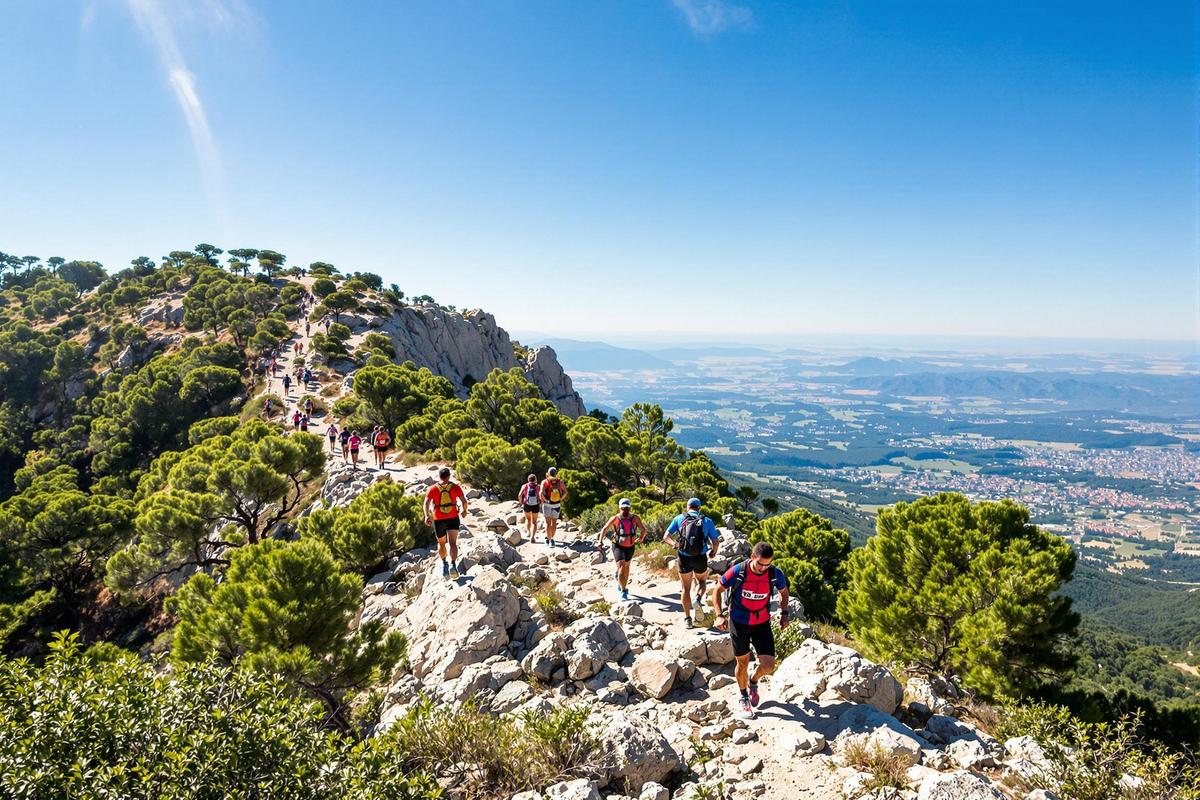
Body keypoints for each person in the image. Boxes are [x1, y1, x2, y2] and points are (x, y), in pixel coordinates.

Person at [713, 542, 791, 719]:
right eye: (760, 564)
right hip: (739, 622)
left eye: (768, 564)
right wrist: (719, 615)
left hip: (762, 622)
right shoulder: (738, 571)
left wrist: (784, 614)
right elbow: (717, 590)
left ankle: (753, 680)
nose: (764, 568)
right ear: (752, 558)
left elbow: (784, 592)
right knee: (742, 663)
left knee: (769, 666)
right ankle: (743, 697)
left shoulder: (774, 573)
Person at [663, 497, 721, 628]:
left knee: (685, 589)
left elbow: (666, 536)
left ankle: (688, 619)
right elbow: (715, 541)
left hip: (684, 557)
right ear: (699, 508)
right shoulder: (707, 520)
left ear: (687, 507)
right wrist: (713, 552)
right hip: (700, 557)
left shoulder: (679, 518)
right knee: (701, 582)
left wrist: (675, 544)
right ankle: (698, 599)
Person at [597, 498, 647, 601]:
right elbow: (605, 529)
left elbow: (643, 529)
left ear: (630, 508)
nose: (625, 510)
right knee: (622, 567)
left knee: (627, 568)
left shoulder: (635, 518)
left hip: (630, 547)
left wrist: (641, 537)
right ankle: (623, 591)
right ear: (619, 508)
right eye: (623, 508)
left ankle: (622, 583)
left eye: (627, 508)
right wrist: (600, 541)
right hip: (618, 546)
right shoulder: (615, 518)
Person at [424, 467, 468, 579]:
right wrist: (464, 511)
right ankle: (453, 565)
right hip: (453, 517)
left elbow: (426, 503)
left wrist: (426, 516)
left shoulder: (433, 489)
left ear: (439, 476)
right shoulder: (455, 487)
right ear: (449, 476)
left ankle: (444, 564)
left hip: (439, 519)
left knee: (441, 543)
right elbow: (464, 501)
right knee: (453, 543)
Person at [540, 467, 568, 546]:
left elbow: (541, 493)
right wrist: (560, 499)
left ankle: (548, 540)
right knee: (554, 523)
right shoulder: (560, 482)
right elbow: (565, 492)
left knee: (548, 523)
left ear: (548, 474)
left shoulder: (545, 481)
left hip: (547, 505)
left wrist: (544, 500)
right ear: (556, 474)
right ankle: (552, 539)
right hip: (556, 505)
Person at [516, 473, 541, 542]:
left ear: (528, 479)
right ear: (535, 479)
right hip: (536, 505)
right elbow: (541, 495)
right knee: (534, 522)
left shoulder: (524, 486)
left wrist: (520, 502)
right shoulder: (539, 486)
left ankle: (528, 532)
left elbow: (519, 495)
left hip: (527, 504)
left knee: (528, 519)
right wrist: (540, 502)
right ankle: (533, 537)